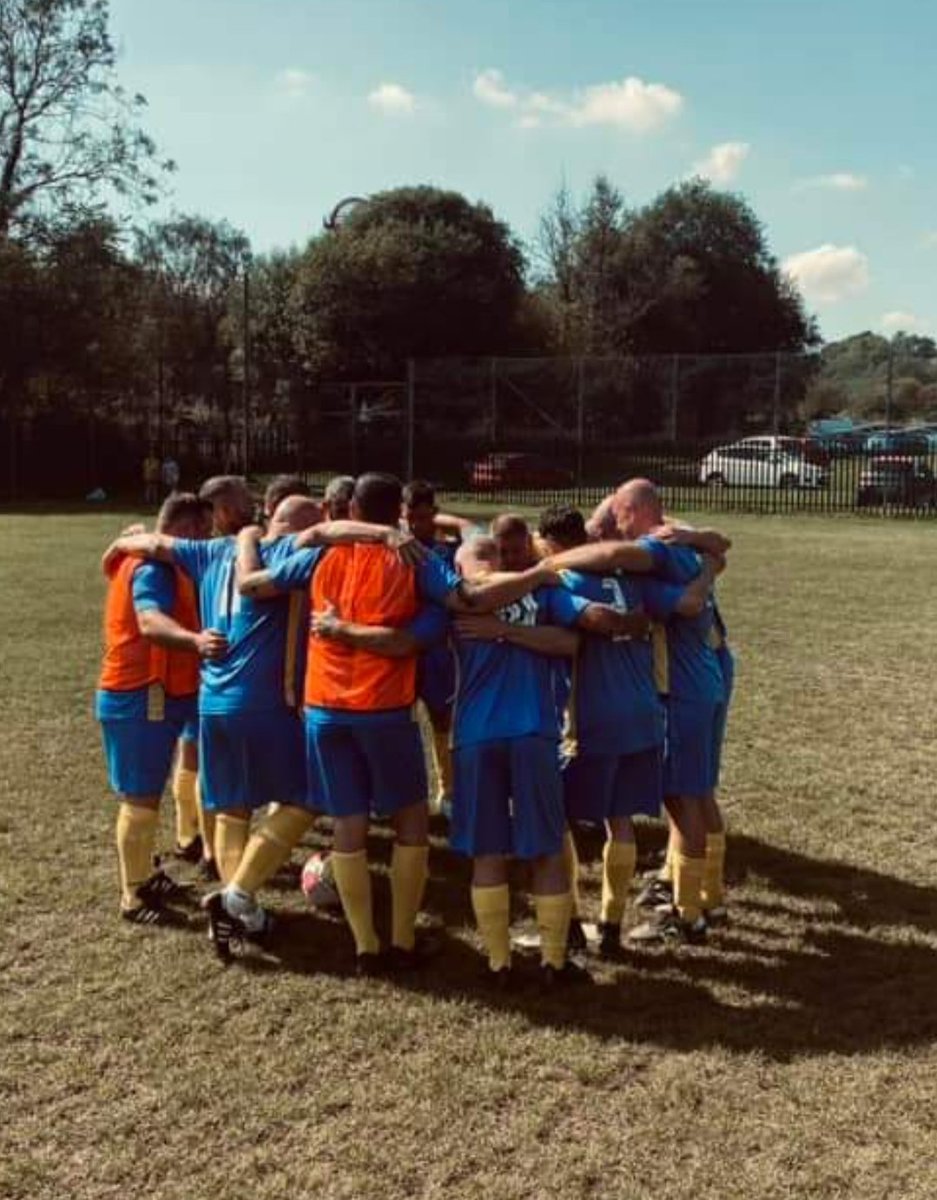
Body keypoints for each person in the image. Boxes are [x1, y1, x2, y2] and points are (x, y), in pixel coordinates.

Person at [232, 475, 566, 973]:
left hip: (324, 708)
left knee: (348, 824)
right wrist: (534, 579)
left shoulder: (320, 554)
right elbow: (464, 600)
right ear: (400, 515)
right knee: (411, 820)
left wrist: (245, 538)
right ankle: (403, 940)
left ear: (349, 509)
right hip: (382, 710)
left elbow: (252, 584)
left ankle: (366, 946)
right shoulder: (413, 558)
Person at [450, 513, 650, 987]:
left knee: (487, 852)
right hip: (533, 731)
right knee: (545, 849)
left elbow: (569, 641)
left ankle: (499, 964)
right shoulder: (540, 591)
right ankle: (553, 963)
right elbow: (571, 637)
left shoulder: (458, 599)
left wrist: (501, 629)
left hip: (476, 736)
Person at [542, 480, 729, 944]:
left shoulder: (646, 554)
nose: (615, 531)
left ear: (631, 511)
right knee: (682, 797)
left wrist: (546, 564)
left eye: (615, 519)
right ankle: (695, 900)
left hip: (663, 697)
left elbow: (611, 563)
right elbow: (716, 553)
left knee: (679, 798)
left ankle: (687, 914)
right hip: (691, 685)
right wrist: (708, 567)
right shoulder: (676, 547)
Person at [96, 492, 222, 925]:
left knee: (151, 787)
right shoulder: (154, 568)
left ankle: (145, 873)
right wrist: (195, 641)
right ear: (185, 530)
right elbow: (150, 623)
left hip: (161, 690)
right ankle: (133, 896)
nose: (207, 540)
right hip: (141, 693)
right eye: (203, 531)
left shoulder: (153, 558)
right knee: (141, 794)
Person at [402, 480, 461, 813]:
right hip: (401, 648)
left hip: (437, 651)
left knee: (441, 718)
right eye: (411, 517)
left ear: (435, 516)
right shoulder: (390, 548)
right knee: (399, 720)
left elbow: (476, 531)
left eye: (425, 517)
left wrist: (445, 524)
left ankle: (447, 789)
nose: (417, 525)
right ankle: (403, 792)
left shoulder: (444, 551)